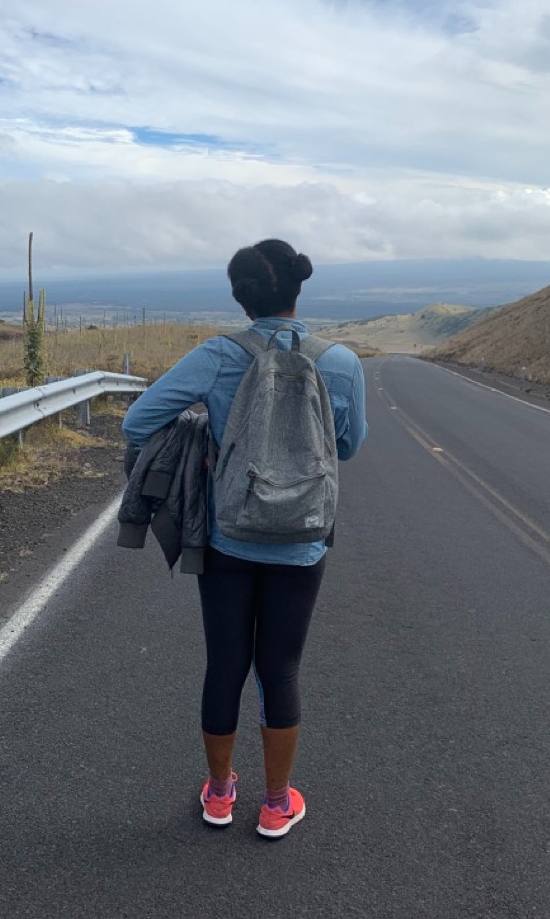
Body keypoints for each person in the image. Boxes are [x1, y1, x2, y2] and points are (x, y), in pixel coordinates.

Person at [121, 239, 367, 838]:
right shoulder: (340, 362)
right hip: (303, 540)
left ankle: (221, 793)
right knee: (279, 670)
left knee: (224, 665)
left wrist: (207, 435)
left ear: (240, 297)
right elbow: (350, 444)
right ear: (297, 289)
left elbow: (136, 421)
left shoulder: (217, 356)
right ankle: (278, 801)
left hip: (230, 536)